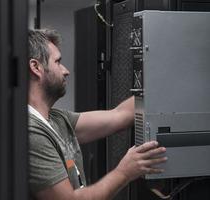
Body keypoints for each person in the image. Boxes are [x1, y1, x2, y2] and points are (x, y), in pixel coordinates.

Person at [28, 28, 167, 200]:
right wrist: (124, 172)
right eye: (58, 62)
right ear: (36, 67)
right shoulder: (31, 131)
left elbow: (120, 115)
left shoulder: (57, 120)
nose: (66, 71)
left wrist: (168, 81)